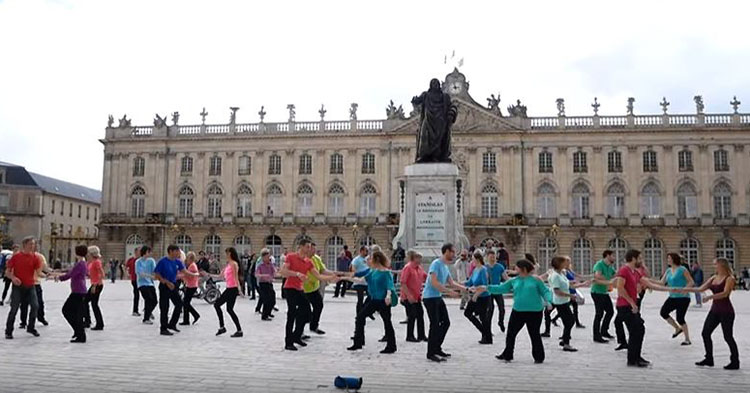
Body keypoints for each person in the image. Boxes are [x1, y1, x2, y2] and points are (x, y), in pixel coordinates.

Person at [474, 259, 551, 363]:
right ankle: (508, 354)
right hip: (518, 311)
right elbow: (501, 288)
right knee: (511, 333)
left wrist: (549, 301)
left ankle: (539, 357)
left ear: (523, 268)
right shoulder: (514, 281)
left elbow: (545, 291)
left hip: (534, 312)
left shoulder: (536, 280)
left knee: (534, 334)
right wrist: (486, 288)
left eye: (517, 267)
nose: (515, 269)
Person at [614, 249, 673, 367]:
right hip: (625, 306)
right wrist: (632, 303)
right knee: (636, 330)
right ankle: (632, 359)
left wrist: (669, 289)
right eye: (639, 258)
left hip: (631, 306)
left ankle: (636, 357)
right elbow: (620, 288)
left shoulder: (635, 272)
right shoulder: (624, 270)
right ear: (633, 258)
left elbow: (649, 284)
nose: (641, 261)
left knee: (639, 330)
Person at [279, 239, 337, 351]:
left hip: (299, 289)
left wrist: (332, 277)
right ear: (300, 247)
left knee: (307, 313)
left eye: (310, 247)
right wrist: (296, 274)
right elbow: (283, 272)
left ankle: (297, 335)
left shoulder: (308, 262)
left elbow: (319, 276)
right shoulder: (291, 257)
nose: (309, 249)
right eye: (307, 247)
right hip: (290, 288)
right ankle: (288, 342)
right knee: (291, 314)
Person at [682, 258, 739, 370]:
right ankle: (709, 359)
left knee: (728, 337)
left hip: (726, 312)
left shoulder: (729, 278)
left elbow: (725, 294)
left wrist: (710, 297)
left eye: (715, 264)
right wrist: (684, 289)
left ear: (722, 265)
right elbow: (700, 288)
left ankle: (735, 361)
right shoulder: (714, 277)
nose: (714, 266)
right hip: (715, 311)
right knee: (705, 333)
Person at [346, 250, 397, 354]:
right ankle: (358, 342)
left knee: (387, 322)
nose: (369, 261)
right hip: (374, 300)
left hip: (383, 301)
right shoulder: (372, 271)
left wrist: (388, 297)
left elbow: (389, 286)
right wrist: (346, 278)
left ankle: (391, 346)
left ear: (376, 259)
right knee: (360, 317)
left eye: (371, 258)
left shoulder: (386, 273)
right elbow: (361, 280)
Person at [423, 243, 466, 362]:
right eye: (452, 252)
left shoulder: (446, 267)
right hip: (430, 297)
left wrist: (465, 289)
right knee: (435, 324)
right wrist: (449, 292)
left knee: (446, 323)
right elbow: (434, 282)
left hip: (437, 297)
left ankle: (437, 348)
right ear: (446, 251)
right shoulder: (436, 264)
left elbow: (452, 283)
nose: (454, 254)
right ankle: (431, 353)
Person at [547, 256, 590, 352]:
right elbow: (557, 291)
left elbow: (569, 284)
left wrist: (583, 284)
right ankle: (566, 343)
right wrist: (570, 295)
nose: (566, 264)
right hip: (560, 302)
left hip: (564, 301)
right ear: (559, 264)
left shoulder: (561, 274)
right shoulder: (555, 276)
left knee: (569, 321)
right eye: (564, 262)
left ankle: (565, 340)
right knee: (569, 321)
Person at [4, 237, 42, 339]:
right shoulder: (16, 257)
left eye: (33, 244)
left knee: (35, 306)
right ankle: (8, 330)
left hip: (30, 285)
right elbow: (7, 272)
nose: (32, 246)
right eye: (30, 244)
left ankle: (31, 327)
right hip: (18, 286)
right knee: (14, 308)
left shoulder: (35, 258)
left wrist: (51, 274)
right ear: (24, 245)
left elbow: (39, 272)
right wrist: (13, 278)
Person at [54, 245, 89, 343]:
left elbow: (70, 274)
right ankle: (79, 333)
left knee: (66, 310)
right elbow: (71, 272)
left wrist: (58, 278)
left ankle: (79, 332)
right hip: (79, 291)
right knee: (75, 313)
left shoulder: (80, 264)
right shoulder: (82, 263)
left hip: (78, 292)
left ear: (76, 252)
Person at [658, 253, 694, 346]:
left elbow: (691, 282)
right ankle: (677, 328)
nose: (668, 260)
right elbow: (662, 282)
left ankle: (687, 339)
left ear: (674, 259)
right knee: (663, 312)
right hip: (672, 297)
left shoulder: (682, 269)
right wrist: (647, 281)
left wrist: (685, 290)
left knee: (680, 318)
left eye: (669, 258)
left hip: (683, 298)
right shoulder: (669, 270)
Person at [205, 248, 242, 337]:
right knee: (228, 309)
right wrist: (208, 275)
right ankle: (235, 329)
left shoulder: (234, 264)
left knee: (219, 306)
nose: (226, 255)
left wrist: (239, 289)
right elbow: (220, 276)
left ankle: (226, 328)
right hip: (229, 288)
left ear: (230, 253)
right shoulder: (227, 265)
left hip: (233, 289)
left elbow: (236, 277)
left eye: (227, 253)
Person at [153, 245, 185, 336]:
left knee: (179, 304)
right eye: (177, 251)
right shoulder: (163, 261)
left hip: (173, 285)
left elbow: (184, 271)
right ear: (170, 251)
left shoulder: (177, 261)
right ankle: (163, 328)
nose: (178, 253)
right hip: (164, 286)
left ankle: (172, 324)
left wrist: (194, 274)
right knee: (164, 307)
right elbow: (157, 274)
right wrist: (166, 282)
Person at [463, 250, 492, 345]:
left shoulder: (483, 269)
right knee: (467, 313)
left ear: (478, 259)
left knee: (483, 317)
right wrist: (458, 283)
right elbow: (470, 282)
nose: (472, 261)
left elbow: (484, 285)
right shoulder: (475, 270)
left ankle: (487, 337)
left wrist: (476, 294)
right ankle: (485, 333)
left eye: (473, 259)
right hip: (476, 296)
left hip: (483, 297)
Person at [400, 250, 428, 342]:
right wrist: (408, 295)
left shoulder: (419, 268)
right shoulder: (408, 268)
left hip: (417, 296)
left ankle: (421, 335)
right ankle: (410, 335)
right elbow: (403, 282)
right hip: (408, 296)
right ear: (413, 258)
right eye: (418, 257)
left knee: (420, 314)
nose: (420, 260)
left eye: (420, 258)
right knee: (412, 315)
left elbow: (425, 277)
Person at [305, 243, 331, 335]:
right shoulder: (303, 259)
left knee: (319, 305)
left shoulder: (316, 258)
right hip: (303, 289)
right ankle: (299, 332)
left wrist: (333, 274)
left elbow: (323, 270)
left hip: (314, 288)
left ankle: (314, 326)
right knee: (304, 311)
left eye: (315, 250)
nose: (314, 252)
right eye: (313, 250)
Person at [590, 250, 617, 343]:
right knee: (599, 314)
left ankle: (604, 331)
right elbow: (597, 276)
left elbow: (616, 275)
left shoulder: (610, 267)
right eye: (613, 256)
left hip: (604, 292)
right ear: (607, 256)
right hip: (597, 292)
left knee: (610, 311)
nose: (614, 258)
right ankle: (596, 336)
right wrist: (609, 280)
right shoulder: (599, 264)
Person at [20, 248, 49, 328]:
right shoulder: (39, 256)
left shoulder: (38, 257)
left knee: (27, 303)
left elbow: (43, 269)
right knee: (34, 303)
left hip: (32, 283)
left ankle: (25, 321)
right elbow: (44, 269)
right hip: (29, 283)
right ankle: (37, 318)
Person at [486, 249, 508, 332]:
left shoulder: (499, 267)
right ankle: (488, 329)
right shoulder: (485, 268)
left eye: (494, 257)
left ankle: (500, 322)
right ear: (487, 257)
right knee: (490, 310)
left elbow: (506, 278)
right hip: (489, 291)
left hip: (498, 290)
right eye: (491, 257)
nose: (493, 258)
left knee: (502, 308)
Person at [84, 246, 105, 331]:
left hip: (97, 285)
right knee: (86, 301)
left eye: (88, 253)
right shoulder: (91, 262)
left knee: (94, 304)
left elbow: (102, 274)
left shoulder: (97, 262)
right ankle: (88, 321)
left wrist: (95, 285)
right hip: (94, 284)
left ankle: (99, 324)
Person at [135, 246, 158, 325]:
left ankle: (148, 311)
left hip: (150, 283)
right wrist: (151, 276)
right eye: (149, 252)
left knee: (155, 301)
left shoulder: (151, 261)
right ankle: (146, 318)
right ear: (145, 252)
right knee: (148, 299)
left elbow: (155, 270)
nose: (150, 253)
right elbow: (140, 273)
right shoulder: (138, 262)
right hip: (142, 284)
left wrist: (158, 275)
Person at [179, 252, 201, 326]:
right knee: (186, 303)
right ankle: (188, 319)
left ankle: (194, 316)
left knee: (185, 303)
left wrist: (182, 276)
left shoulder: (192, 266)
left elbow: (190, 276)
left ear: (190, 258)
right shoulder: (192, 265)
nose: (186, 259)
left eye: (187, 258)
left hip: (192, 286)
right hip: (191, 285)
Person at [254, 248, 277, 321]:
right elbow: (256, 274)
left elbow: (274, 272)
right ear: (263, 257)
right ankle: (264, 315)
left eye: (269, 256)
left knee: (272, 299)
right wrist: (264, 276)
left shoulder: (270, 264)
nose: (268, 258)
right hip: (263, 284)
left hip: (269, 283)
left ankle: (268, 312)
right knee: (266, 300)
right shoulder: (260, 265)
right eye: (267, 257)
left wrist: (275, 273)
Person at [350, 246, 370, 315]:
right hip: (359, 282)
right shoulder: (356, 259)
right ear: (361, 251)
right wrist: (357, 276)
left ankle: (365, 309)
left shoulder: (367, 259)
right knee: (360, 299)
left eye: (367, 251)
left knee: (371, 296)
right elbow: (353, 269)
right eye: (366, 251)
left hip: (367, 281)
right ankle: (358, 314)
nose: (367, 252)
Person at [125, 248, 141, 316]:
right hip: (134, 279)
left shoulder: (142, 260)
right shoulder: (131, 260)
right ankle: (135, 310)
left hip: (142, 280)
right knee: (136, 295)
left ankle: (147, 309)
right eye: (138, 252)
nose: (139, 253)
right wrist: (127, 274)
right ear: (135, 252)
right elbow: (125, 267)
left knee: (146, 295)